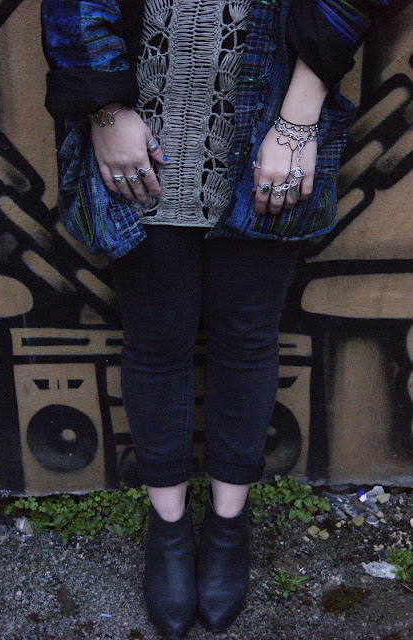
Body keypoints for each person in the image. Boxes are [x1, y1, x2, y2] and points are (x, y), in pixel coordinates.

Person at [41, 1, 391, 638]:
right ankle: (169, 528)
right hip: (143, 126)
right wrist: (106, 111)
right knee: (156, 337)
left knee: (248, 333)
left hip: (272, 114)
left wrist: (298, 121)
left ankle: (229, 525)